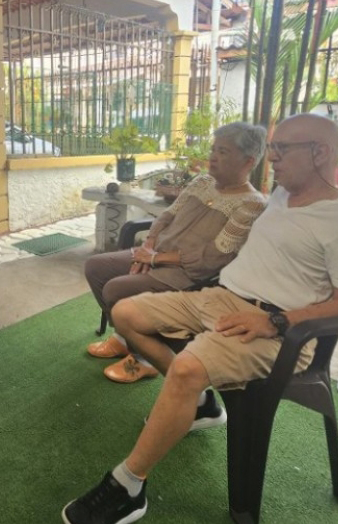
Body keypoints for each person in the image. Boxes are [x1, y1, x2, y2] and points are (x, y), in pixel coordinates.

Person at [62, 113, 338, 524]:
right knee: (126, 314)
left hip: (276, 328)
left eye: (281, 149)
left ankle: (129, 485)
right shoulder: (280, 200)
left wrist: (276, 320)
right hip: (220, 299)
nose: (271, 158)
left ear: (321, 152)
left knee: (187, 367)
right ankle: (197, 402)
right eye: (271, 147)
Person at [84, 122, 268, 383]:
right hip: (157, 253)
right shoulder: (203, 182)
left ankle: (143, 358)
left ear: (248, 161)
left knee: (115, 288)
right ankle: (126, 338)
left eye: (223, 152)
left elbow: (214, 257)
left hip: (188, 273)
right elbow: (166, 216)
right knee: (96, 267)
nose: (212, 156)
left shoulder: (252, 204)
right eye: (213, 149)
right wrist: (148, 246)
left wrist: (156, 258)